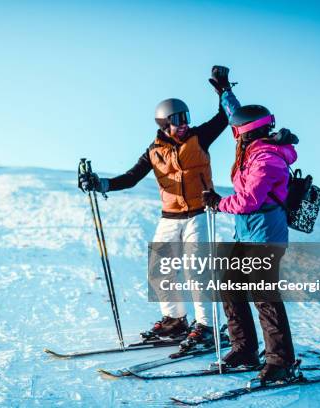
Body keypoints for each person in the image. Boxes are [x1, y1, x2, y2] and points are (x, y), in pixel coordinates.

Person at [79, 66, 237, 349]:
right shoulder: (153, 152)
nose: (185, 123)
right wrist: (99, 183)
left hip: (200, 214)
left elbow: (225, 117)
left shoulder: (199, 137)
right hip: (171, 216)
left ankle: (206, 327)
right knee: (159, 268)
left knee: (196, 269)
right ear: (164, 124)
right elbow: (129, 178)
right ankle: (175, 321)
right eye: (178, 120)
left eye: (186, 117)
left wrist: (223, 90)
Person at [202, 103, 299, 382]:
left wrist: (219, 203)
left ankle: (281, 362)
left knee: (264, 297)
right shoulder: (254, 152)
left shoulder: (267, 158)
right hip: (247, 235)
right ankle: (244, 349)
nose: (234, 134)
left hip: (265, 238)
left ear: (245, 132)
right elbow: (239, 113)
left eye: (236, 131)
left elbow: (249, 200)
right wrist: (224, 92)